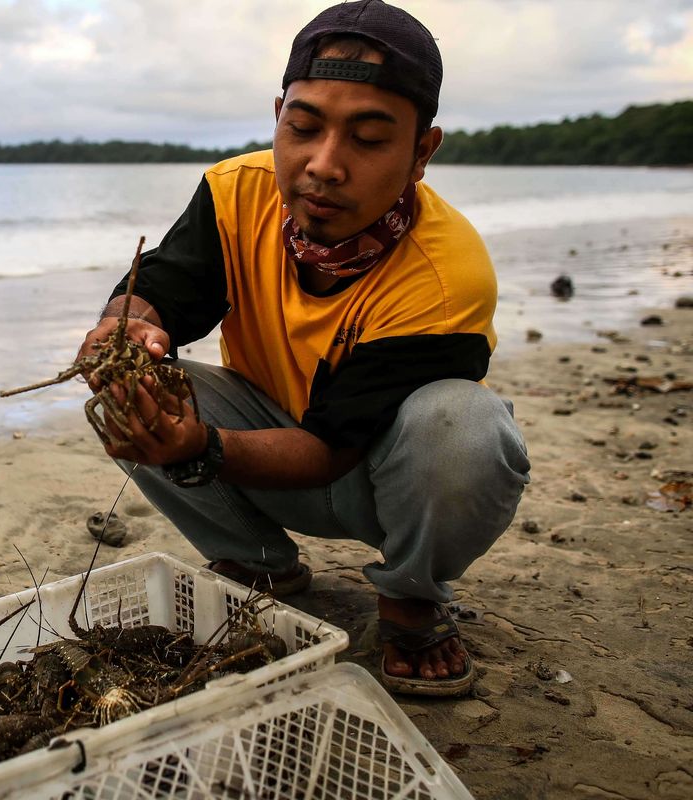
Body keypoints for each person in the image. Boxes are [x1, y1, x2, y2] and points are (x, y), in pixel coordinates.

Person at [76, 0, 530, 696]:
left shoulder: (446, 277)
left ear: (422, 152)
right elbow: (162, 287)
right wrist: (124, 327)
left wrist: (200, 449)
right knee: (131, 388)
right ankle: (258, 563)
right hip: (264, 430)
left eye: (370, 139)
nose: (324, 166)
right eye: (304, 127)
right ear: (278, 116)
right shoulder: (236, 192)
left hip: (381, 473)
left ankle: (411, 596)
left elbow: (333, 448)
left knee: (463, 427)